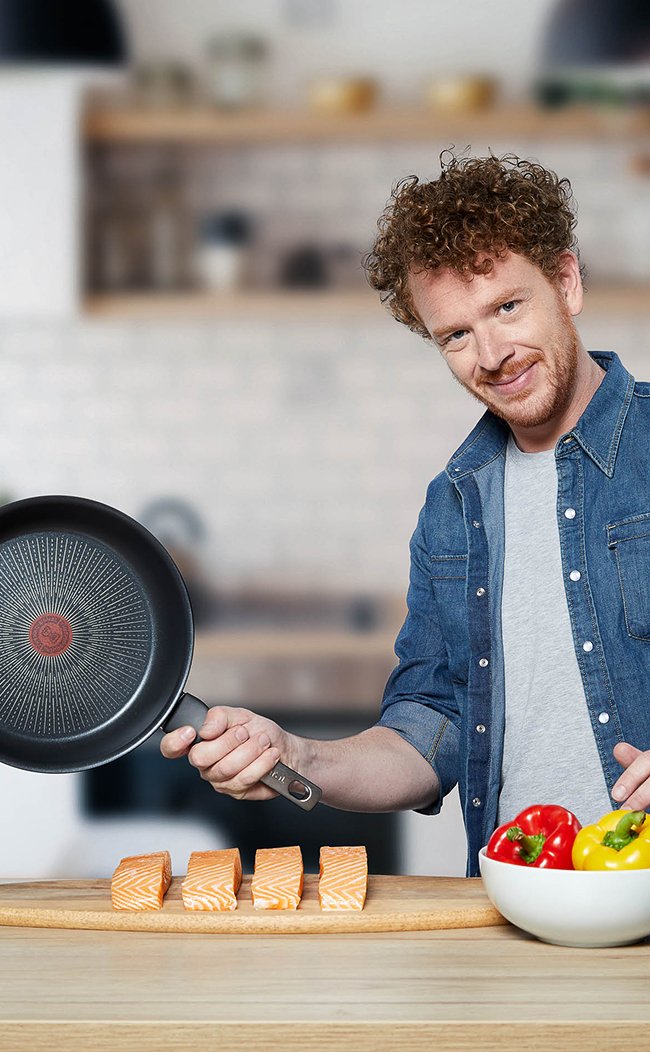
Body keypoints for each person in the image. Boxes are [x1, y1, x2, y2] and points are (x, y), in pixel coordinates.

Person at [160, 151, 650, 875]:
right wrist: (296, 755)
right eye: (455, 334)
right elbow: (431, 733)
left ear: (566, 282)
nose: (493, 355)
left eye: (508, 307)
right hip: (512, 903)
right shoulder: (452, 506)